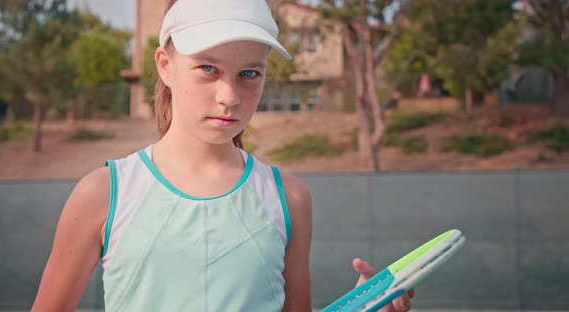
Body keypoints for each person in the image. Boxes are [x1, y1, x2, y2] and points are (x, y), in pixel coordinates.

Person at [31, 0, 414, 311]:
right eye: (208, 68)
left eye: (250, 73)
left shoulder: (291, 199)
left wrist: (364, 307)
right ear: (165, 66)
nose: (229, 96)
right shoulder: (102, 193)